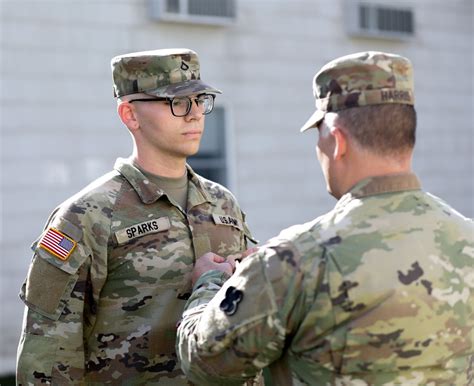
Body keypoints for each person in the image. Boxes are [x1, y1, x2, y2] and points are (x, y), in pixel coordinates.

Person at [176, 51, 474, 385]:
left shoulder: (295, 258)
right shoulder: (466, 238)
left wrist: (209, 282)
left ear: (338, 141)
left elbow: (204, 362)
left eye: (318, 135)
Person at [16, 48, 257, 384]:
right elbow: (48, 358)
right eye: (177, 102)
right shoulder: (86, 215)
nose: (195, 114)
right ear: (130, 114)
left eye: (200, 99)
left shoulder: (222, 203)